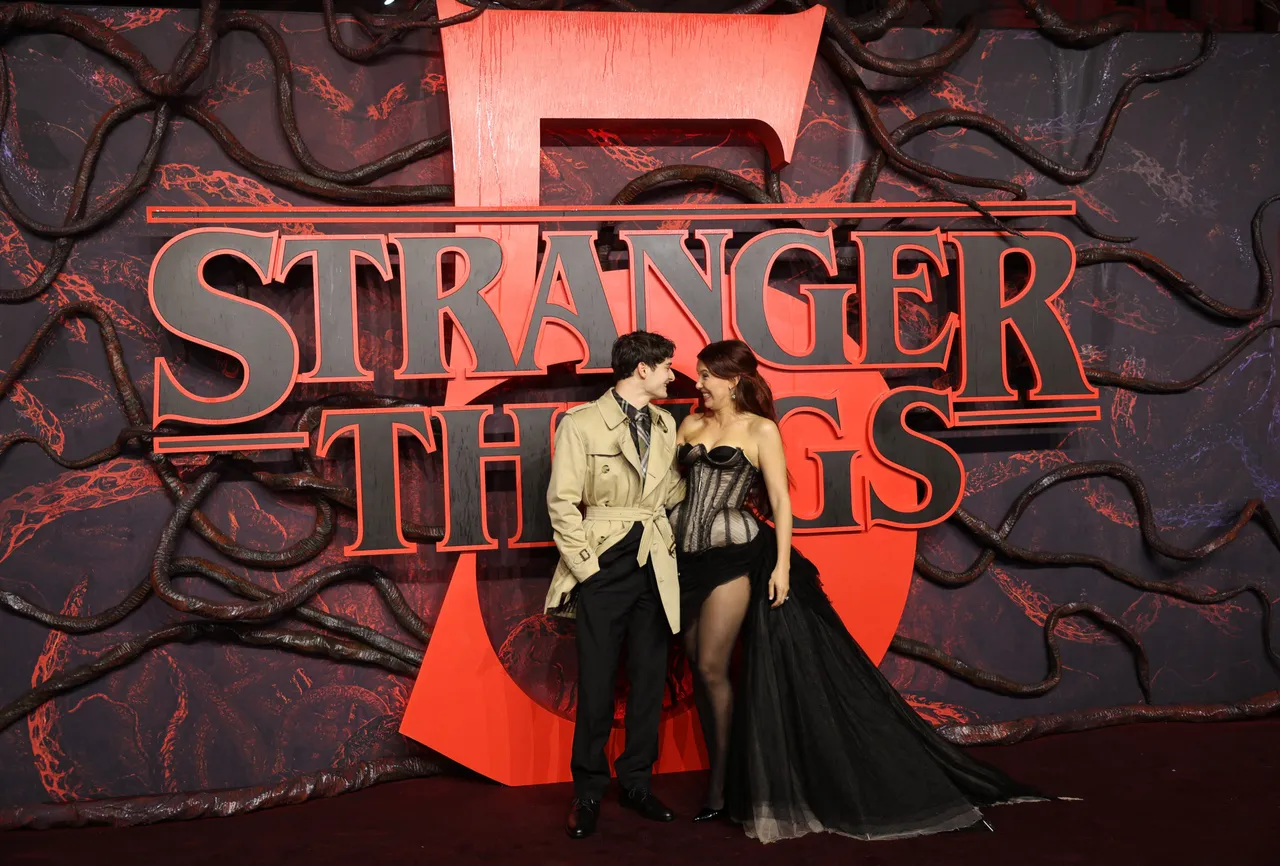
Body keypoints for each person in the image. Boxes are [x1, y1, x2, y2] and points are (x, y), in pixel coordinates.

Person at [669, 339, 1044, 844]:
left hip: (736, 561)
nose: (699, 384)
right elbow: (671, 489)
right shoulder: (690, 426)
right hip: (685, 562)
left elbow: (781, 502)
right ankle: (726, 777)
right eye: (698, 376)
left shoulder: (761, 430)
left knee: (714, 668)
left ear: (732, 378)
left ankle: (721, 789)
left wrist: (780, 566)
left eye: (706, 376)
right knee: (697, 665)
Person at [544, 331, 688, 840]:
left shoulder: (668, 424)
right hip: (605, 561)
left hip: (656, 560)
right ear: (643, 369)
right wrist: (588, 571)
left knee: (650, 679)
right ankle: (587, 791)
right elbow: (562, 505)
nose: (674, 375)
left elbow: (670, 491)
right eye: (667, 366)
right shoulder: (581, 424)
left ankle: (636, 784)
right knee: (599, 682)